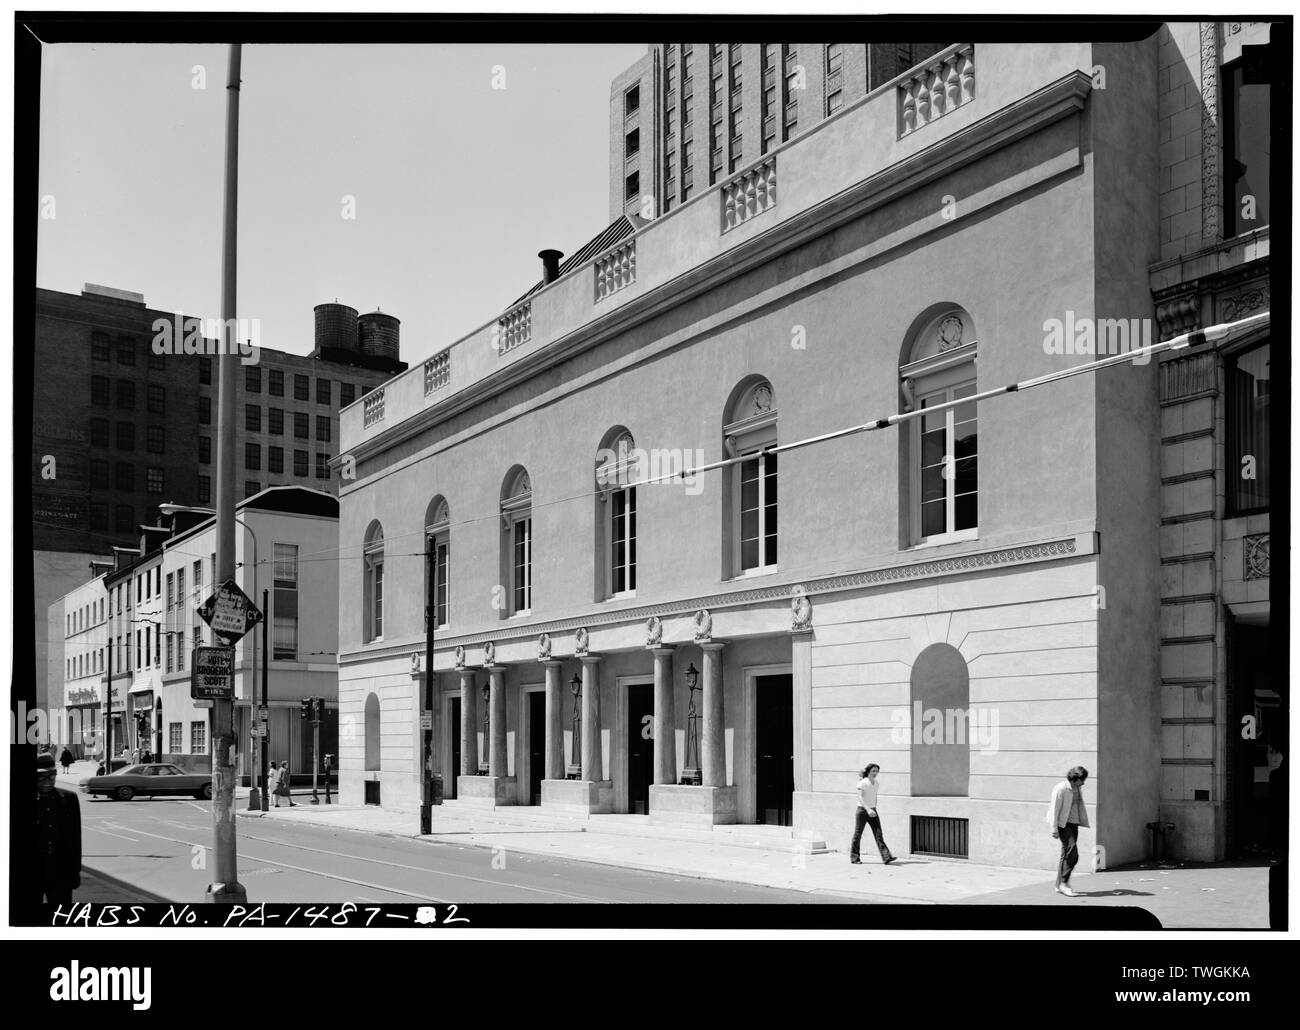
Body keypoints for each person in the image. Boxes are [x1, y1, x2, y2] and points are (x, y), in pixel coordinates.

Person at [37, 752, 81, 906]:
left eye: (52, 775)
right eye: (42, 776)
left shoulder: (69, 799)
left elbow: (75, 838)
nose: (48, 780)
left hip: (60, 871)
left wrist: (75, 871)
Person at [1047, 765, 1090, 897]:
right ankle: (1064, 883)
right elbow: (1055, 809)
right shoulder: (1061, 789)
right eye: (1082, 780)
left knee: (1065, 853)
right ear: (1075, 779)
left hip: (1074, 824)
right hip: (1062, 824)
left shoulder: (1077, 788)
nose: (1084, 782)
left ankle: (1059, 884)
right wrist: (1054, 829)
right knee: (1073, 853)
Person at [850, 763, 895, 865]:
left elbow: (874, 797)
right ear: (868, 772)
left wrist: (873, 808)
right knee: (858, 834)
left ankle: (886, 857)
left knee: (878, 834)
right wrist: (868, 809)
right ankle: (854, 858)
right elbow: (860, 797)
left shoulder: (876, 784)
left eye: (876, 771)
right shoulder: (862, 783)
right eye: (873, 771)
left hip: (873, 810)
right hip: (862, 811)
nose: (875, 773)